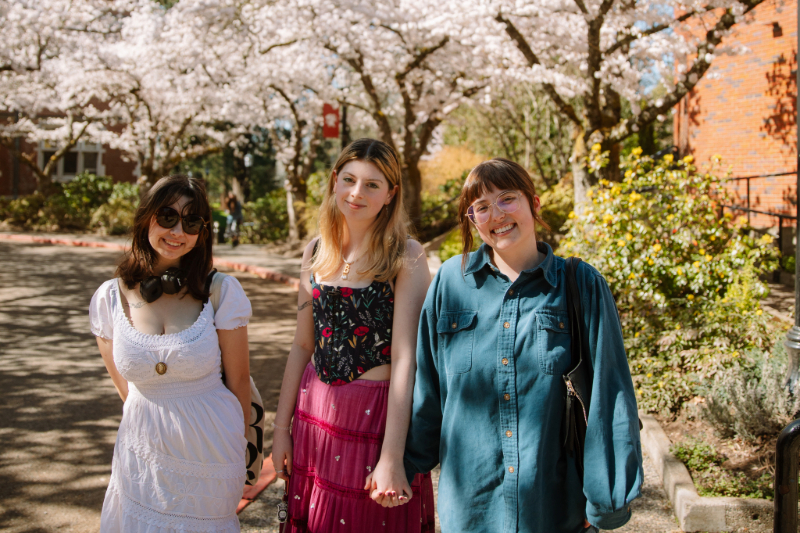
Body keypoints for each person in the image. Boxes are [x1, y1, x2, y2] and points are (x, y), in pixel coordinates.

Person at [403, 158, 643, 533]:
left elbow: (610, 396)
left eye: (507, 198)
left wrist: (605, 499)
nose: (496, 214)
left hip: (554, 510)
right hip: (470, 513)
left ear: (534, 203)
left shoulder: (580, 285)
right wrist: (400, 465)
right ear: (472, 220)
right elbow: (427, 389)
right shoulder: (450, 282)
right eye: (481, 206)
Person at [271, 138, 435, 532]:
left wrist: (393, 456)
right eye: (349, 179)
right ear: (334, 181)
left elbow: (406, 359)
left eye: (372, 184)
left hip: (374, 422)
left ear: (391, 194)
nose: (357, 193)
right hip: (315, 416)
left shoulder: (406, 255)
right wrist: (280, 431)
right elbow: (302, 345)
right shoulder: (314, 252)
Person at [90, 175, 252, 532]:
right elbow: (126, 390)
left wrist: (239, 449)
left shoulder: (221, 292)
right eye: (167, 217)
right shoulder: (109, 298)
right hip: (143, 451)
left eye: (191, 221)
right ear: (146, 217)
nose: (178, 231)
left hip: (211, 452)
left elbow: (240, 381)